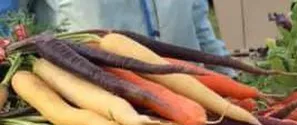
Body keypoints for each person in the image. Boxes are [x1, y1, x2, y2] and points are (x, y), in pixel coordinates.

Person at [24, 0, 231, 65]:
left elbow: (199, 23)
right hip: (99, 108)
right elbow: (9, 23)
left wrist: (228, 78)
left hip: (193, 100)